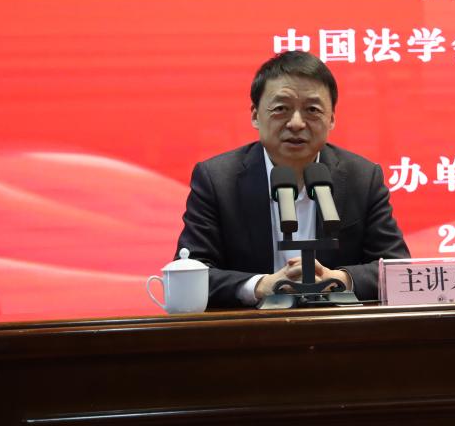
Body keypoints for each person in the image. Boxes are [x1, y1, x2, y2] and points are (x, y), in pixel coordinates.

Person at [175, 51, 410, 307]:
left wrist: (340, 279)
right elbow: (190, 271)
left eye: (312, 110)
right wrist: (259, 285)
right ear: (255, 115)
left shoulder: (362, 177)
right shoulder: (217, 179)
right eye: (281, 109)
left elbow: (398, 269)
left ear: (331, 119)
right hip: (252, 326)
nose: (296, 123)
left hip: (336, 325)